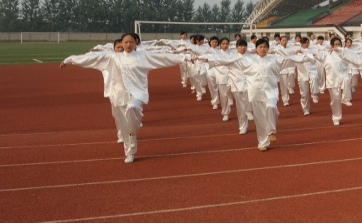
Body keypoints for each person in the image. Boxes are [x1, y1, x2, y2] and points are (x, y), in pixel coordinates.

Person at [61, 33, 191, 163]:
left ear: (136, 43)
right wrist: (70, 59)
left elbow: (163, 58)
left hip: (137, 93)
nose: (128, 44)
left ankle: (133, 135)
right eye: (126, 42)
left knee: (133, 107)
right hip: (119, 94)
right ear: (122, 44)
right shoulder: (113, 58)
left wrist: (184, 57)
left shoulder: (143, 57)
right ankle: (130, 152)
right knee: (123, 126)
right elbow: (93, 59)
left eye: (131, 42)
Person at [209, 38, 309, 151]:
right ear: (256, 48)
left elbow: (290, 59)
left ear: (268, 48)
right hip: (255, 92)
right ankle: (262, 142)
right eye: (260, 47)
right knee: (260, 119)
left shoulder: (274, 59)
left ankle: (271, 130)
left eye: (265, 47)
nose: (263, 49)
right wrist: (211, 61)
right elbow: (229, 62)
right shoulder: (248, 60)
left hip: (271, 91)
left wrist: (307, 57)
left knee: (271, 107)